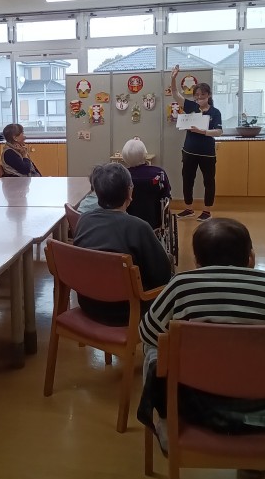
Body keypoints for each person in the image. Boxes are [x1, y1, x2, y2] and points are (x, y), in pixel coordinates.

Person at [137, 218, 265, 452]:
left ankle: (167, 420)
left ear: (197, 262)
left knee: (155, 347)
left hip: (196, 400)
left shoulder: (182, 285)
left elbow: (147, 332)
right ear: (251, 257)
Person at [73, 163, 172, 325]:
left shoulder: (83, 220)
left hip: (88, 303)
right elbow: (162, 276)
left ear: (97, 192)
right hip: (128, 309)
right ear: (129, 192)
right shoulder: (139, 227)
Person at [170, 65, 222, 222]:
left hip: (207, 153)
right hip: (189, 151)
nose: (199, 98)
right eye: (197, 95)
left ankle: (207, 211)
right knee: (187, 180)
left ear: (209, 95)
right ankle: (189, 208)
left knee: (209, 181)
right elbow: (175, 94)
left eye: (203, 95)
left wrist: (203, 131)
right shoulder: (191, 107)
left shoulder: (215, 112)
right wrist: (173, 78)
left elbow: (219, 132)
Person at [121, 138, 171, 229]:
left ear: (124, 157)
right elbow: (167, 195)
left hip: (128, 222)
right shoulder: (159, 173)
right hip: (155, 222)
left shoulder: (122, 175)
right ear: (145, 154)